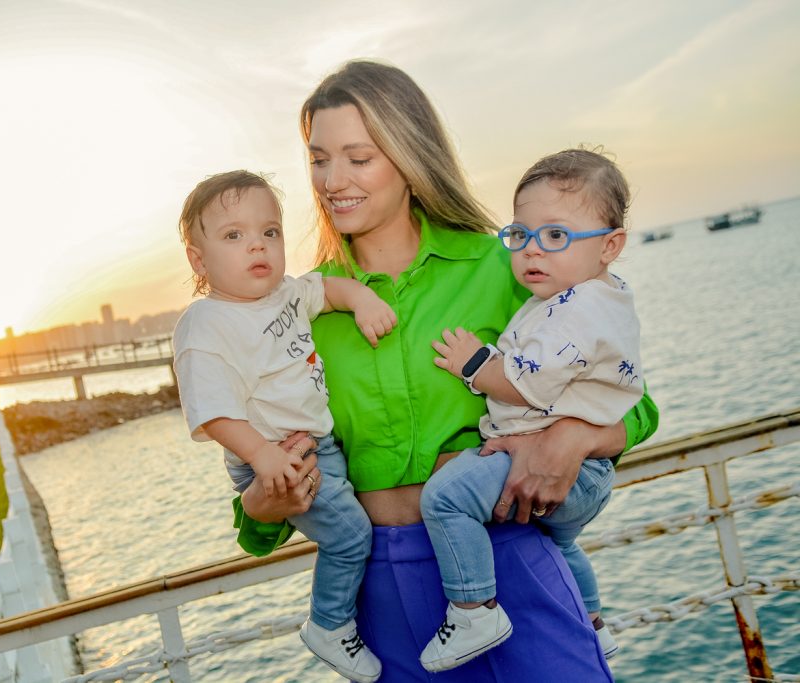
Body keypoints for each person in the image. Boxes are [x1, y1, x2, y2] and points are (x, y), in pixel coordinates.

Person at [235, 60, 658, 681]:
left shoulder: (507, 264)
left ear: (408, 155)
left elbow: (636, 404)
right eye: (319, 159)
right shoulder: (294, 311)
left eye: (359, 157)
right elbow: (258, 506)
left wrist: (574, 437)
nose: (333, 179)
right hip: (378, 595)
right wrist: (262, 508)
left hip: (509, 562)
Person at [420, 148, 642, 670]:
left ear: (610, 246)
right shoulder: (594, 296)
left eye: (556, 236)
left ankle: (474, 608)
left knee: (446, 500)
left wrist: (473, 362)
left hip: (570, 468)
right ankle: (593, 624)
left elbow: (524, 384)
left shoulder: (577, 308)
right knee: (561, 546)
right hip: (590, 474)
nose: (532, 252)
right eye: (520, 235)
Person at [173, 170, 397, 682]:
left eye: (269, 232)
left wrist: (361, 300)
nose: (258, 245)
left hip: (318, 446)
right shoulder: (206, 322)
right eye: (234, 235)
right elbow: (212, 409)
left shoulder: (287, 294)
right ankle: (329, 624)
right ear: (198, 259)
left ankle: (354, 621)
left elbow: (327, 289)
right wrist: (261, 456)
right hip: (273, 456)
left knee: (357, 530)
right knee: (350, 536)